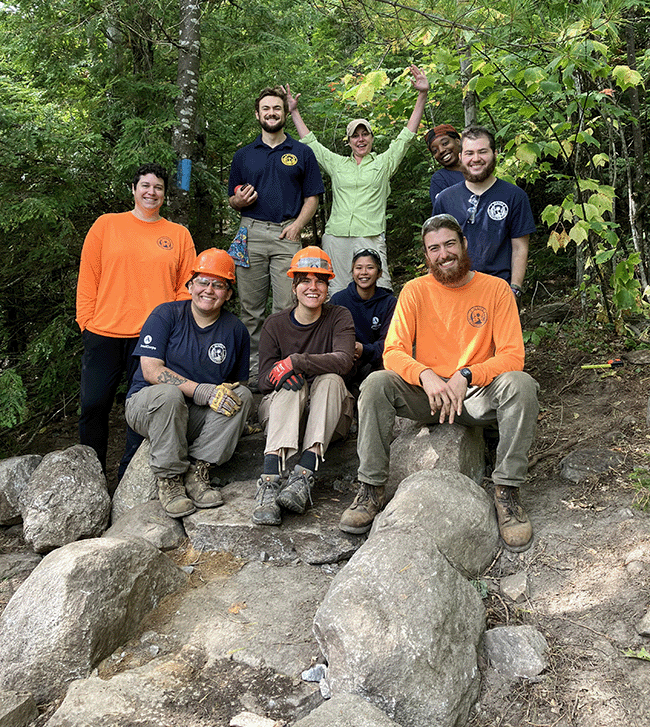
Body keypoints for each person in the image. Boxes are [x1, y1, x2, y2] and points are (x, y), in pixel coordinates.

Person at [339, 214, 539, 552]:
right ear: (426, 255)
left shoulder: (496, 290)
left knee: (521, 385)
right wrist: (425, 375)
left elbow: (511, 356)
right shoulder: (415, 291)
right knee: (376, 384)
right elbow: (394, 352)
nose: (443, 254)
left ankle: (507, 493)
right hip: (427, 396)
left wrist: (467, 375)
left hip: (476, 396)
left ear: (463, 245)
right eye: (434, 249)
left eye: (449, 244)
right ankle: (371, 489)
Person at [76, 162, 196, 477]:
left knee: (141, 409)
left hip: (152, 339)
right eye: (145, 185)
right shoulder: (106, 225)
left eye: (158, 187)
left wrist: (170, 330)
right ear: (133, 189)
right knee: (93, 406)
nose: (151, 192)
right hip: (104, 331)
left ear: (165, 194)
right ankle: (92, 478)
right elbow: (88, 277)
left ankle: (129, 477)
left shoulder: (178, 234)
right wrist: (86, 322)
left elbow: (186, 288)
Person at [125, 249, 253, 518]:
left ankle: (198, 470)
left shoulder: (235, 330)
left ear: (228, 293)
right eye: (203, 282)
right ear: (190, 285)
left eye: (219, 285)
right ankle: (170, 481)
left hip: (194, 415)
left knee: (242, 395)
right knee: (169, 395)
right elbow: (150, 370)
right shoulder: (166, 315)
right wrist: (201, 391)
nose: (209, 290)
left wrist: (235, 419)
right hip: (148, 406)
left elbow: (236, 383)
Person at [286, 65, 430, 294]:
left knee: (380, 290)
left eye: (365, 134)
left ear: (372, 138)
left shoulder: (383, 163)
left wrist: (422, 94)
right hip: (337, 237)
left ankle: (382, 330)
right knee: (337, 291)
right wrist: (293, 111)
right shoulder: (338, 164)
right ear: (349, 141)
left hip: (370, 236)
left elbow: (406, 137)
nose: (360, 139)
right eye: (355, 135)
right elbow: (311, 143)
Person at [228, 86, 325, 384]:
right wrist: (238, 202)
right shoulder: (243, 155)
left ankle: (284, 370)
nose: (272, 113)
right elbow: (232, 198)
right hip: (250, 234)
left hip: (287, 235)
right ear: (258, 114)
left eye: (277, 108)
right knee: (250, 310)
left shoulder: (301, 153)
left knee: (287, 307)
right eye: (266, 109)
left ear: (284, 113)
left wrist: (298, 225)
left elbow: (313, 197)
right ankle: (255, 374)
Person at [252, 247, 355, 527]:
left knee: (332, 379)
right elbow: (262, 381)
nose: (313, 287)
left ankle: (303, 476)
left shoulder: (339, 316)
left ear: (327, 286)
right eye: (305, 281)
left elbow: (344, 360)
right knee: (289, 386)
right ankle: (270, 480)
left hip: (329, 415)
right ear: (294, 286)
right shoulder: (275, 325)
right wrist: (281, 375)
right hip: (284, 416)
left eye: (320, 280)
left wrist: (297, 362)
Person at [432, 125, 535, 297]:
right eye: (469, 153)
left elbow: (520, 248)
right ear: (461, 157)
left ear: (494, 154)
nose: (476, 158)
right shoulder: (445, 199)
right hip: (454, 290)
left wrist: (514, 289)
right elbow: (435, 249)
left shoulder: (515, 196)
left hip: (499, 290)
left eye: (482, 152)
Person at [330, 248, 397, 396]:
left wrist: (364, 350)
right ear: (352, 273)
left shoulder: (389, 303)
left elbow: (390, 343)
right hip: (345, 362)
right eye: (358, 268)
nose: (364, 272)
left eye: (370, 267)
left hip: (376, 362)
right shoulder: (338, 300)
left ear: (379, 273)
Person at [425, 124, 465, 204]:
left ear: (458, 141)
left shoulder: (477, 166)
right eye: (435, 151)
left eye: (445, 143)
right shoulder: (439, 179)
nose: (441, 150)